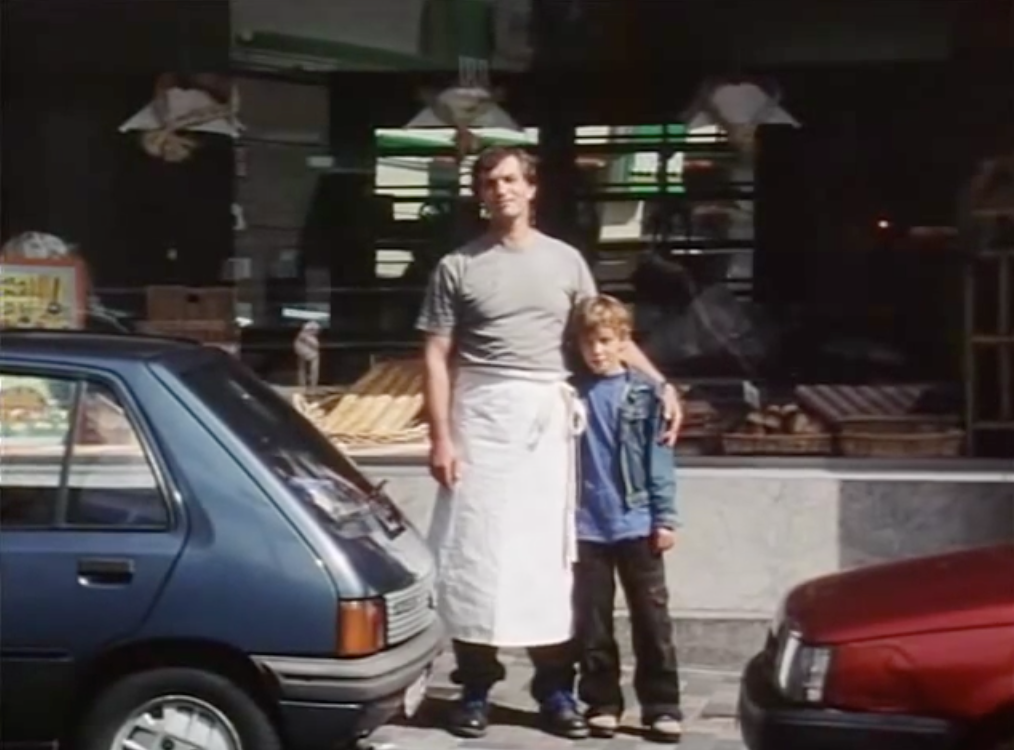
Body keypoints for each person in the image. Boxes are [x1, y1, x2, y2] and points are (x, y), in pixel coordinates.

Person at [415, 145, 682, 740]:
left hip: (550, 419)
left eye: (511, 179)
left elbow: (605, 333)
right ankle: (476, 686)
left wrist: (660, 383)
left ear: (532, 188)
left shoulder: (565, 262)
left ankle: (556, 690)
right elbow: (435, 355)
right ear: (479, 193)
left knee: (552, 562)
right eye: (490, 181)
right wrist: (441, 438)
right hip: (482, 416)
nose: (501, 189)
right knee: (477, 556)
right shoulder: (457, 266)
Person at [570, 295, 683, 743]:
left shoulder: (644, 394)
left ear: (622, 341)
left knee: (652, 620)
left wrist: (665, 517)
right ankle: (602, 702)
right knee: (593, 620)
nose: (596, 351)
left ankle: (662, 705)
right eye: (588, 343)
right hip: (585, 526)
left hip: (636, 522)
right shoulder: (571, 394)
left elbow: (660, 458)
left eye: (604, 341)